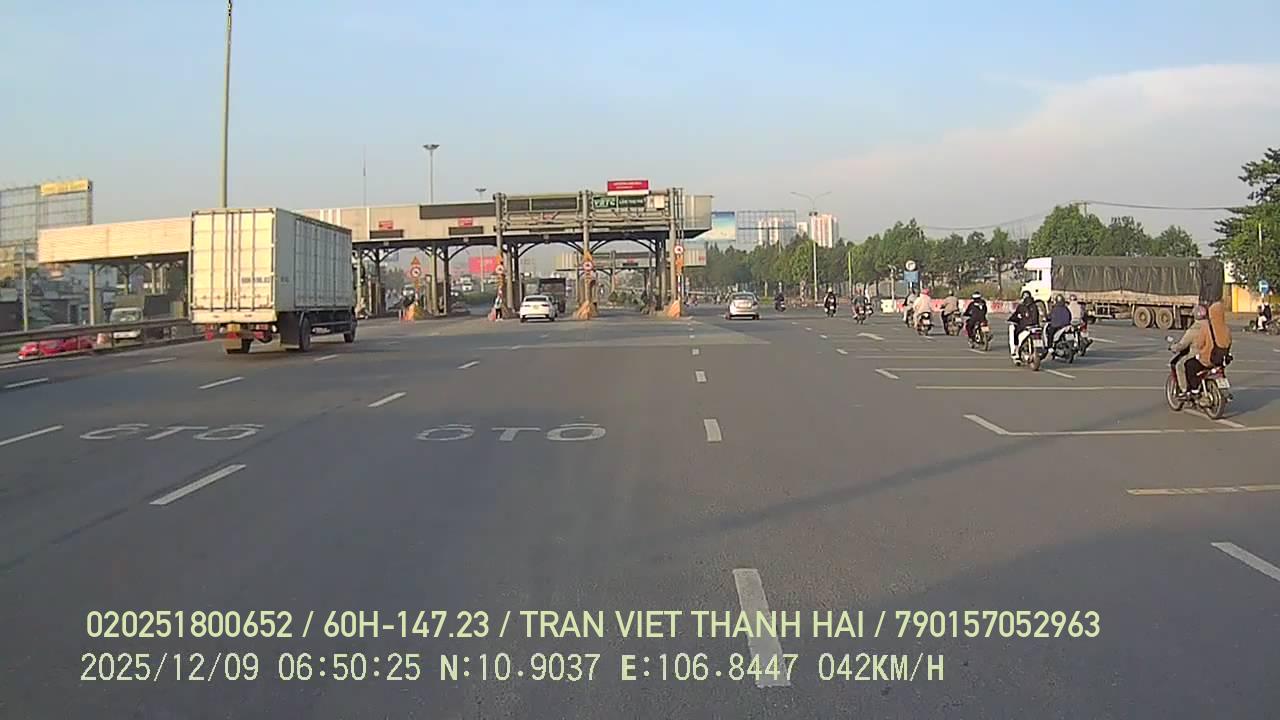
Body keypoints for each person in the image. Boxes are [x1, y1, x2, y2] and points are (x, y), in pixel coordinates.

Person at [1170, 304, 1209, 397]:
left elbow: (1183, 345)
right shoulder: (1210, 325)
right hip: (1210, 354)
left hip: (1197, 354)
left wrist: (1174, 347)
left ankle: (1184, 390)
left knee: (1180, 365)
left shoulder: (1194, 329)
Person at [1007, 291, 1041, 362]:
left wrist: (1010, 320)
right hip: (1036, 327)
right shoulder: (1035, 306)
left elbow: (1015, 316)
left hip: (1025, 327)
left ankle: (1015, 351)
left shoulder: (1021, 306)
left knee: (1013, 331)